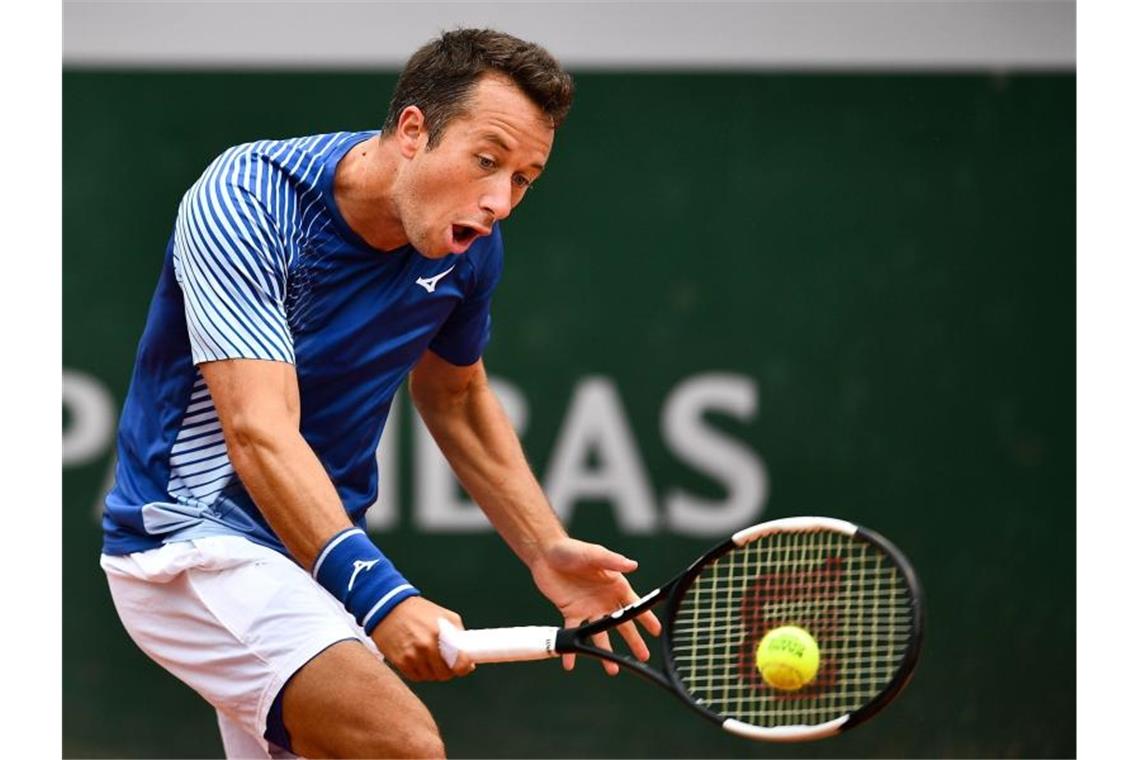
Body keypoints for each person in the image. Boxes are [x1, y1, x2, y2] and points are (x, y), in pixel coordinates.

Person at [99, 28, 661, 759]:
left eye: (523, 179)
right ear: (412, 130)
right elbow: (260, 433)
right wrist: (381, 596)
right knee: (402, 745)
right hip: (192, 543)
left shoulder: (470, 244)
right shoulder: (248, 200)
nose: (499, 201)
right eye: (486, 161)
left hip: (310, 559)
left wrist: (543, 546)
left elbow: (456, 397)